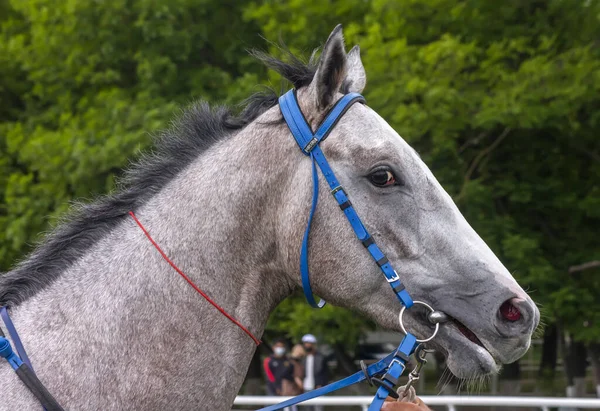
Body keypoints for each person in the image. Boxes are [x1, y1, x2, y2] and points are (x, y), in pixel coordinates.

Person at [301, 334, 328, 411]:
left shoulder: (321, 357)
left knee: (318, 408)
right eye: (305, 343)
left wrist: (321, 384)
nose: (307, 345)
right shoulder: (303, 357)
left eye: (309, 343)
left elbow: (325, 373)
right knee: (307, 408)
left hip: (318, 387)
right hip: (306, 387)